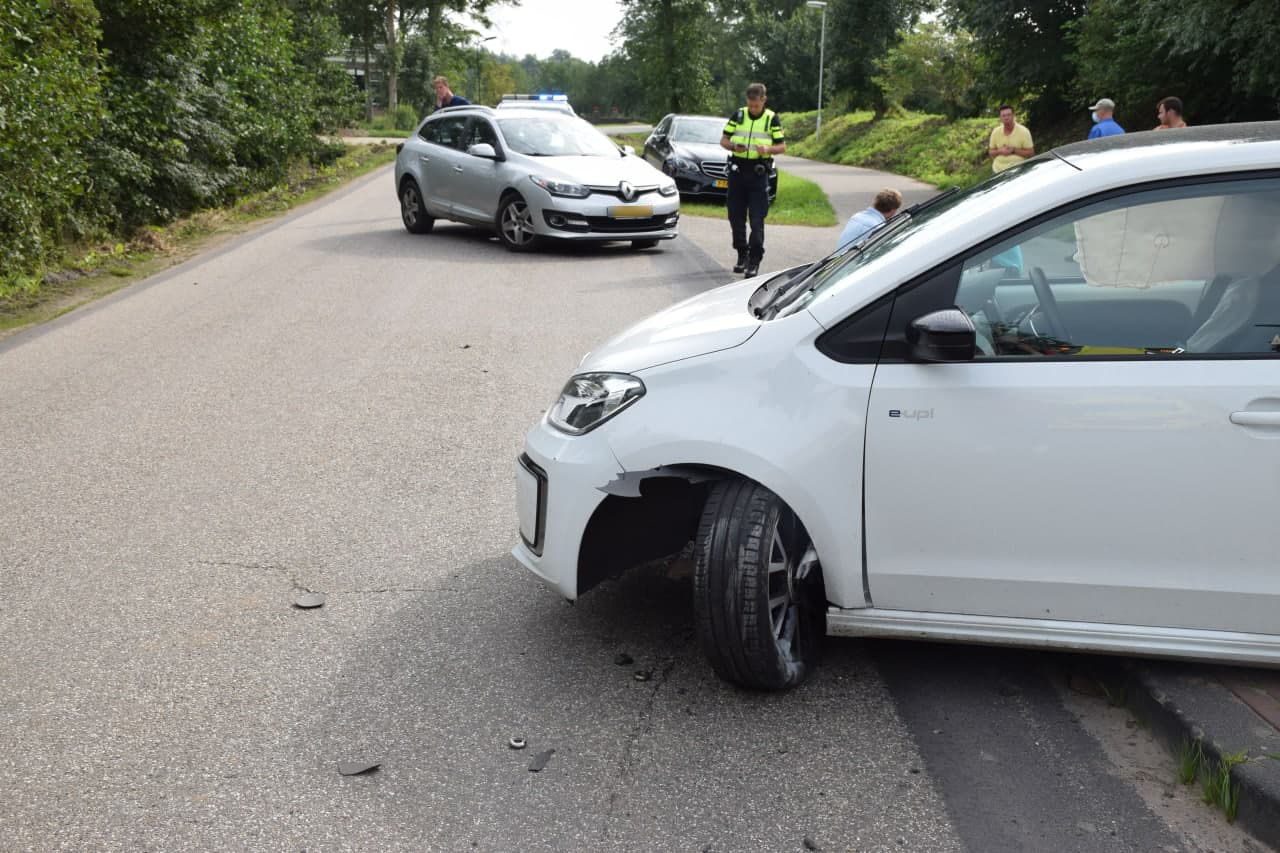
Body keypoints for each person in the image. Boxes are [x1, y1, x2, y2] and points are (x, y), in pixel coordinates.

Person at [721, 82, 786, 277]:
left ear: (763, 100)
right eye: (750, 105)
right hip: (738, 172)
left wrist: (767, 149)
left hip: (758, 174)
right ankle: (742, 254)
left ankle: (754, 260)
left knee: (757, 220)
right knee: (735, 217)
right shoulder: (739, 115)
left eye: (756, 105)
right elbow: (723, 140)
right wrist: (734, 147)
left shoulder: (771, 118)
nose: (753, 108)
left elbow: (782, 147)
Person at [836, 188, 902, 252]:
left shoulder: (857, 216)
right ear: (893, 210)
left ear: (875, 202)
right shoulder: (879, 229)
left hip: (835, 260)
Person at [988, 105, 1034, 173]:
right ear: (1000, 118)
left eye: (1008, 115)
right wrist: (1000, 151)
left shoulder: (1024, 131)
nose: (1006, 118)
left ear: (1013, 115)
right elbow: (991, 152)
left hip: (1019, 169)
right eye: (1003, 115)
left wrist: (1013, 150)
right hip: (998, 170)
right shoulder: (996, 132)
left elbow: (1031, 153)